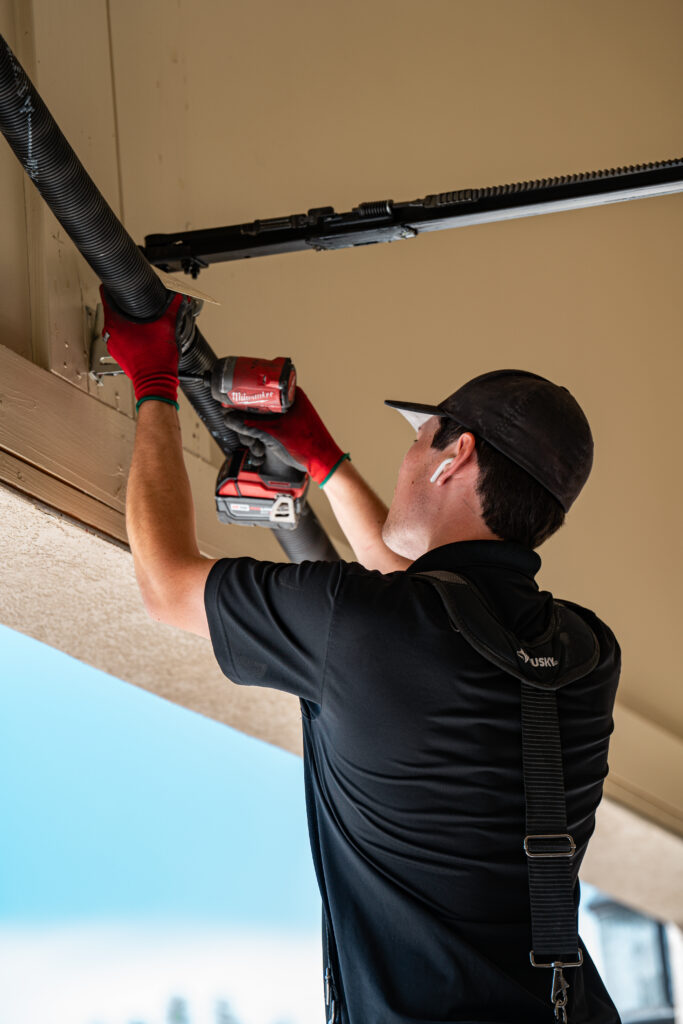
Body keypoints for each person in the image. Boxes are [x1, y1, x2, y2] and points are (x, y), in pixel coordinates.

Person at [102, 289, 621, 1024]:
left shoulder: (373, 623)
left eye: (419, 440)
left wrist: (152, 386)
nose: (407, 457)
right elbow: (427, 607)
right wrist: (326, 462)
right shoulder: (584, 649)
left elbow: (167, 585)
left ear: (456, 457)